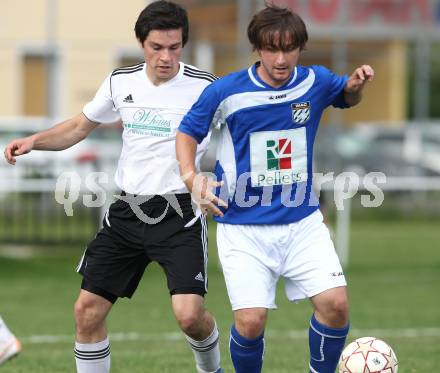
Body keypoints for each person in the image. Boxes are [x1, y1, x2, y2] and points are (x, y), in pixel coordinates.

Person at [4, 1, 223, 372]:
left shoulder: (206, 87)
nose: (165, 56)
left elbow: (238, 137)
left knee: (189, 316)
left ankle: (211, 368)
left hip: (180, 213)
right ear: (141, 44)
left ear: (183, 45)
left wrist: (216, 178)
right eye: (157, 47)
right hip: (127, 212)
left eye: (174, 47)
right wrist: (34, 141)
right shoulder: (121, 82)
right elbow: (79, 126)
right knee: (86, 312)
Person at [176, 4, 374, 373]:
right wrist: (192, 177)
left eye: (289, 49)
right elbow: (188, 131)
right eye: (271, 49)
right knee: (250, 322)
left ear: (301, 47)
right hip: (242, 227)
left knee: (336, 305)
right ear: (257, 48)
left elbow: (346, 95)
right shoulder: (226, 91)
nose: (280, 58)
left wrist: (355, 86)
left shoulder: (315, 81)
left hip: (302, 222)